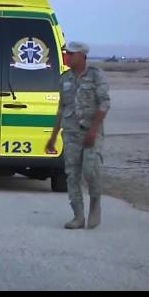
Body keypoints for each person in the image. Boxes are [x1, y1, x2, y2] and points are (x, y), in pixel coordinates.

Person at [46, 41, 111, 230]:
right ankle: (78, 216)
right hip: (71, 134)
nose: (66, 57)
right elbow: (61, 109)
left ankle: (95, 204)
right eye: (66, 53)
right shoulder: (64, 78)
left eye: (70, 54)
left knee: (91, 171)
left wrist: (93, 131)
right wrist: (53, 137)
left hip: (91, 133)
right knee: (72, 175)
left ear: (81, 56)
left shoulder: (96, 76)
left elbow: (104, 104)